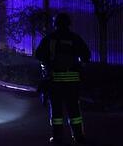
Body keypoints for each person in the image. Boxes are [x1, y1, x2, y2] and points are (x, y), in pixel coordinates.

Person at [35, 12, 91, 144]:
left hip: (55, 81)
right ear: (68, 24)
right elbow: (86, 55)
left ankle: (57, 137)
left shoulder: (50, 38)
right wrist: (79, 67)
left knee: (56, 111)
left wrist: (48, 65)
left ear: (55, 24)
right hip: (72, 82)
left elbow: (38, 55)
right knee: (74, 110)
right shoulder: (75, 38)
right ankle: (78, 136)